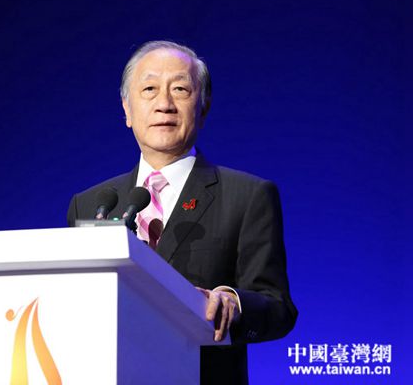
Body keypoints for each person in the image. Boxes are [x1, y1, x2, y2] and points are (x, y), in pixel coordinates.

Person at [66, 40, 297, 384]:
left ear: (203, 107)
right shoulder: (90, 204)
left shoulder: (248, 195)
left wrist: (234, 304)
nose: (164, 104)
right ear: (127, 109)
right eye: (149, 89)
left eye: (180, 90)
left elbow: (277, 307)